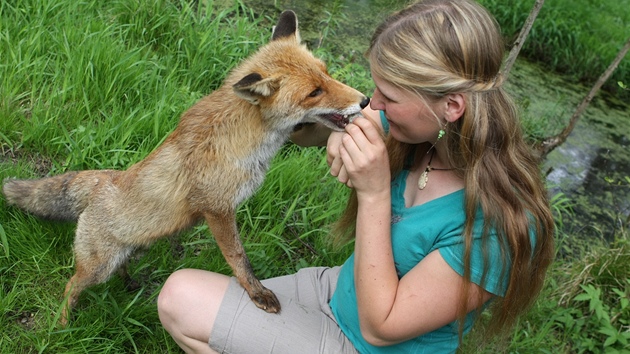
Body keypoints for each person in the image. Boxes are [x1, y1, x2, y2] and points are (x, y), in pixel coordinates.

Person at [156, 0, 555, 352]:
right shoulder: (422, 131)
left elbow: (383, 328)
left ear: (451, 106)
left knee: (181, 297)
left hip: (371, 342)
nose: (370, 102)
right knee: (193, 307)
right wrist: (334, 132)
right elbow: (306, 124)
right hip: (340, 290)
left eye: (389, 97)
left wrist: (375, 192)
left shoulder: (501, 224)